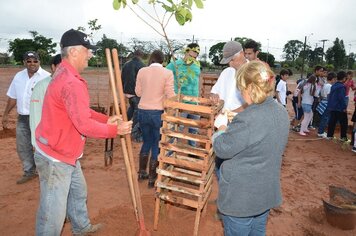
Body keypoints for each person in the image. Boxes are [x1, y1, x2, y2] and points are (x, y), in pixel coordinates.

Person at [34, 29, 133, 236]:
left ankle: (81, 227)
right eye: (87, 51)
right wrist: (115, 130)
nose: (90, 55)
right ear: (74, 52)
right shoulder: (71, 82)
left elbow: (80, 111)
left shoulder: (63, 72)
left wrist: (106, 119)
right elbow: (84, 126)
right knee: (52, 213)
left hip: (64, 150)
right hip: (56, 156)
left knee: (78, 192)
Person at [212, 61, 289, 235]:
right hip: (264, 193)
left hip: (241, 198)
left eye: (241, 87)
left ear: (249, 88)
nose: (240, 91)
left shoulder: (247, 118)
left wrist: (221, 128)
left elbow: (222, 148)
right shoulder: (281, 112)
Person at [2, 51, 51, 184]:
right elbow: (13, 97)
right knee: (23, 146)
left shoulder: (47, 77)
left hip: (41, 118)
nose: (32, 64)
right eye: (29, 61)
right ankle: (30, 171)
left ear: (39, 62)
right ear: (24, 62)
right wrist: (6, 114)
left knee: (43, 146)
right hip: (23, 118)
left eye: (35, 61)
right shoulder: (19, 76)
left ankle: (47, 174)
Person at [135, 50, 175, 188]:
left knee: (146, 141)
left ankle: (141, 172)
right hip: (158, 112)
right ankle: (152, 178)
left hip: (142, 111)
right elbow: (170, 95)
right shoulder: (167, 73)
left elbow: (138, 92)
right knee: (156, 143)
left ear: (151, 59)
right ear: (163, 61)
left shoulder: (142, 71)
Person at [209, 41, 248, 181]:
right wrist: (214, 97)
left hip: (241, 126)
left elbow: (253, 104)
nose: (230, 64)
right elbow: (215, 92)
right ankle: (225, 195)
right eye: (228, 61)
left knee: (236, 164)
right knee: (219, 162)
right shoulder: (227, 72)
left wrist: (228, 114)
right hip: (223, 125)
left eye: (232, 59)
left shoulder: (251, 73)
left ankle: (233, 197)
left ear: (242, 54)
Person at [166, 43, 201, 146]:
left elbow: (197, 81)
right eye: (191, 55)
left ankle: (192, 151)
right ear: (186, 52)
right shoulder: (175, 65)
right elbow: (165, 75)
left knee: (194, 129)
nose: (193, 58)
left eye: (196, 56)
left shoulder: (196, 66)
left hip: (194, 103)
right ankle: (170, 153)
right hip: (180, 103)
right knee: (177, 130)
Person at [30, 54, 62, 147]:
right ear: (53, 67)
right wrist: (36, 143)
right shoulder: (41, 86)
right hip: (46, 143)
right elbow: (35, 116)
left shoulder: (71, 85)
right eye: (62, 67)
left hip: (64, 143)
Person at [121, 49, 145, 141]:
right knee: (137, 112)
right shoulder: (141, 66)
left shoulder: (126, 64)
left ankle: (123, 123)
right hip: (136, 93)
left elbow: (122, 77)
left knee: (132, 108)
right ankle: (133, 132)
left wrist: (124, 88)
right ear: (141, 56)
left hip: (127, 91)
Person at [326, 71, 348, 141]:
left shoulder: (333, 85)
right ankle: (343, 137)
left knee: (332, 121)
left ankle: (329, 135)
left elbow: (330, 96)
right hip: (339, 108)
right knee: (344, 123)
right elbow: (341, 98)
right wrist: (344, 107)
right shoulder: (342, 87)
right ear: (344, 78)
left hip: (333, 107)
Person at [316, 72, 336, 138]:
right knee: (325, 118)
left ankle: (321, 131)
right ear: (332, 79)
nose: (335, 81)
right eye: (334, 79)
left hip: (323, 102)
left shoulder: (325, 85)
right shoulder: (330, 86)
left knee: (323, 118)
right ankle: (320, 132)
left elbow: (321, 94)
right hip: (327, 104)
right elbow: (329, 96)